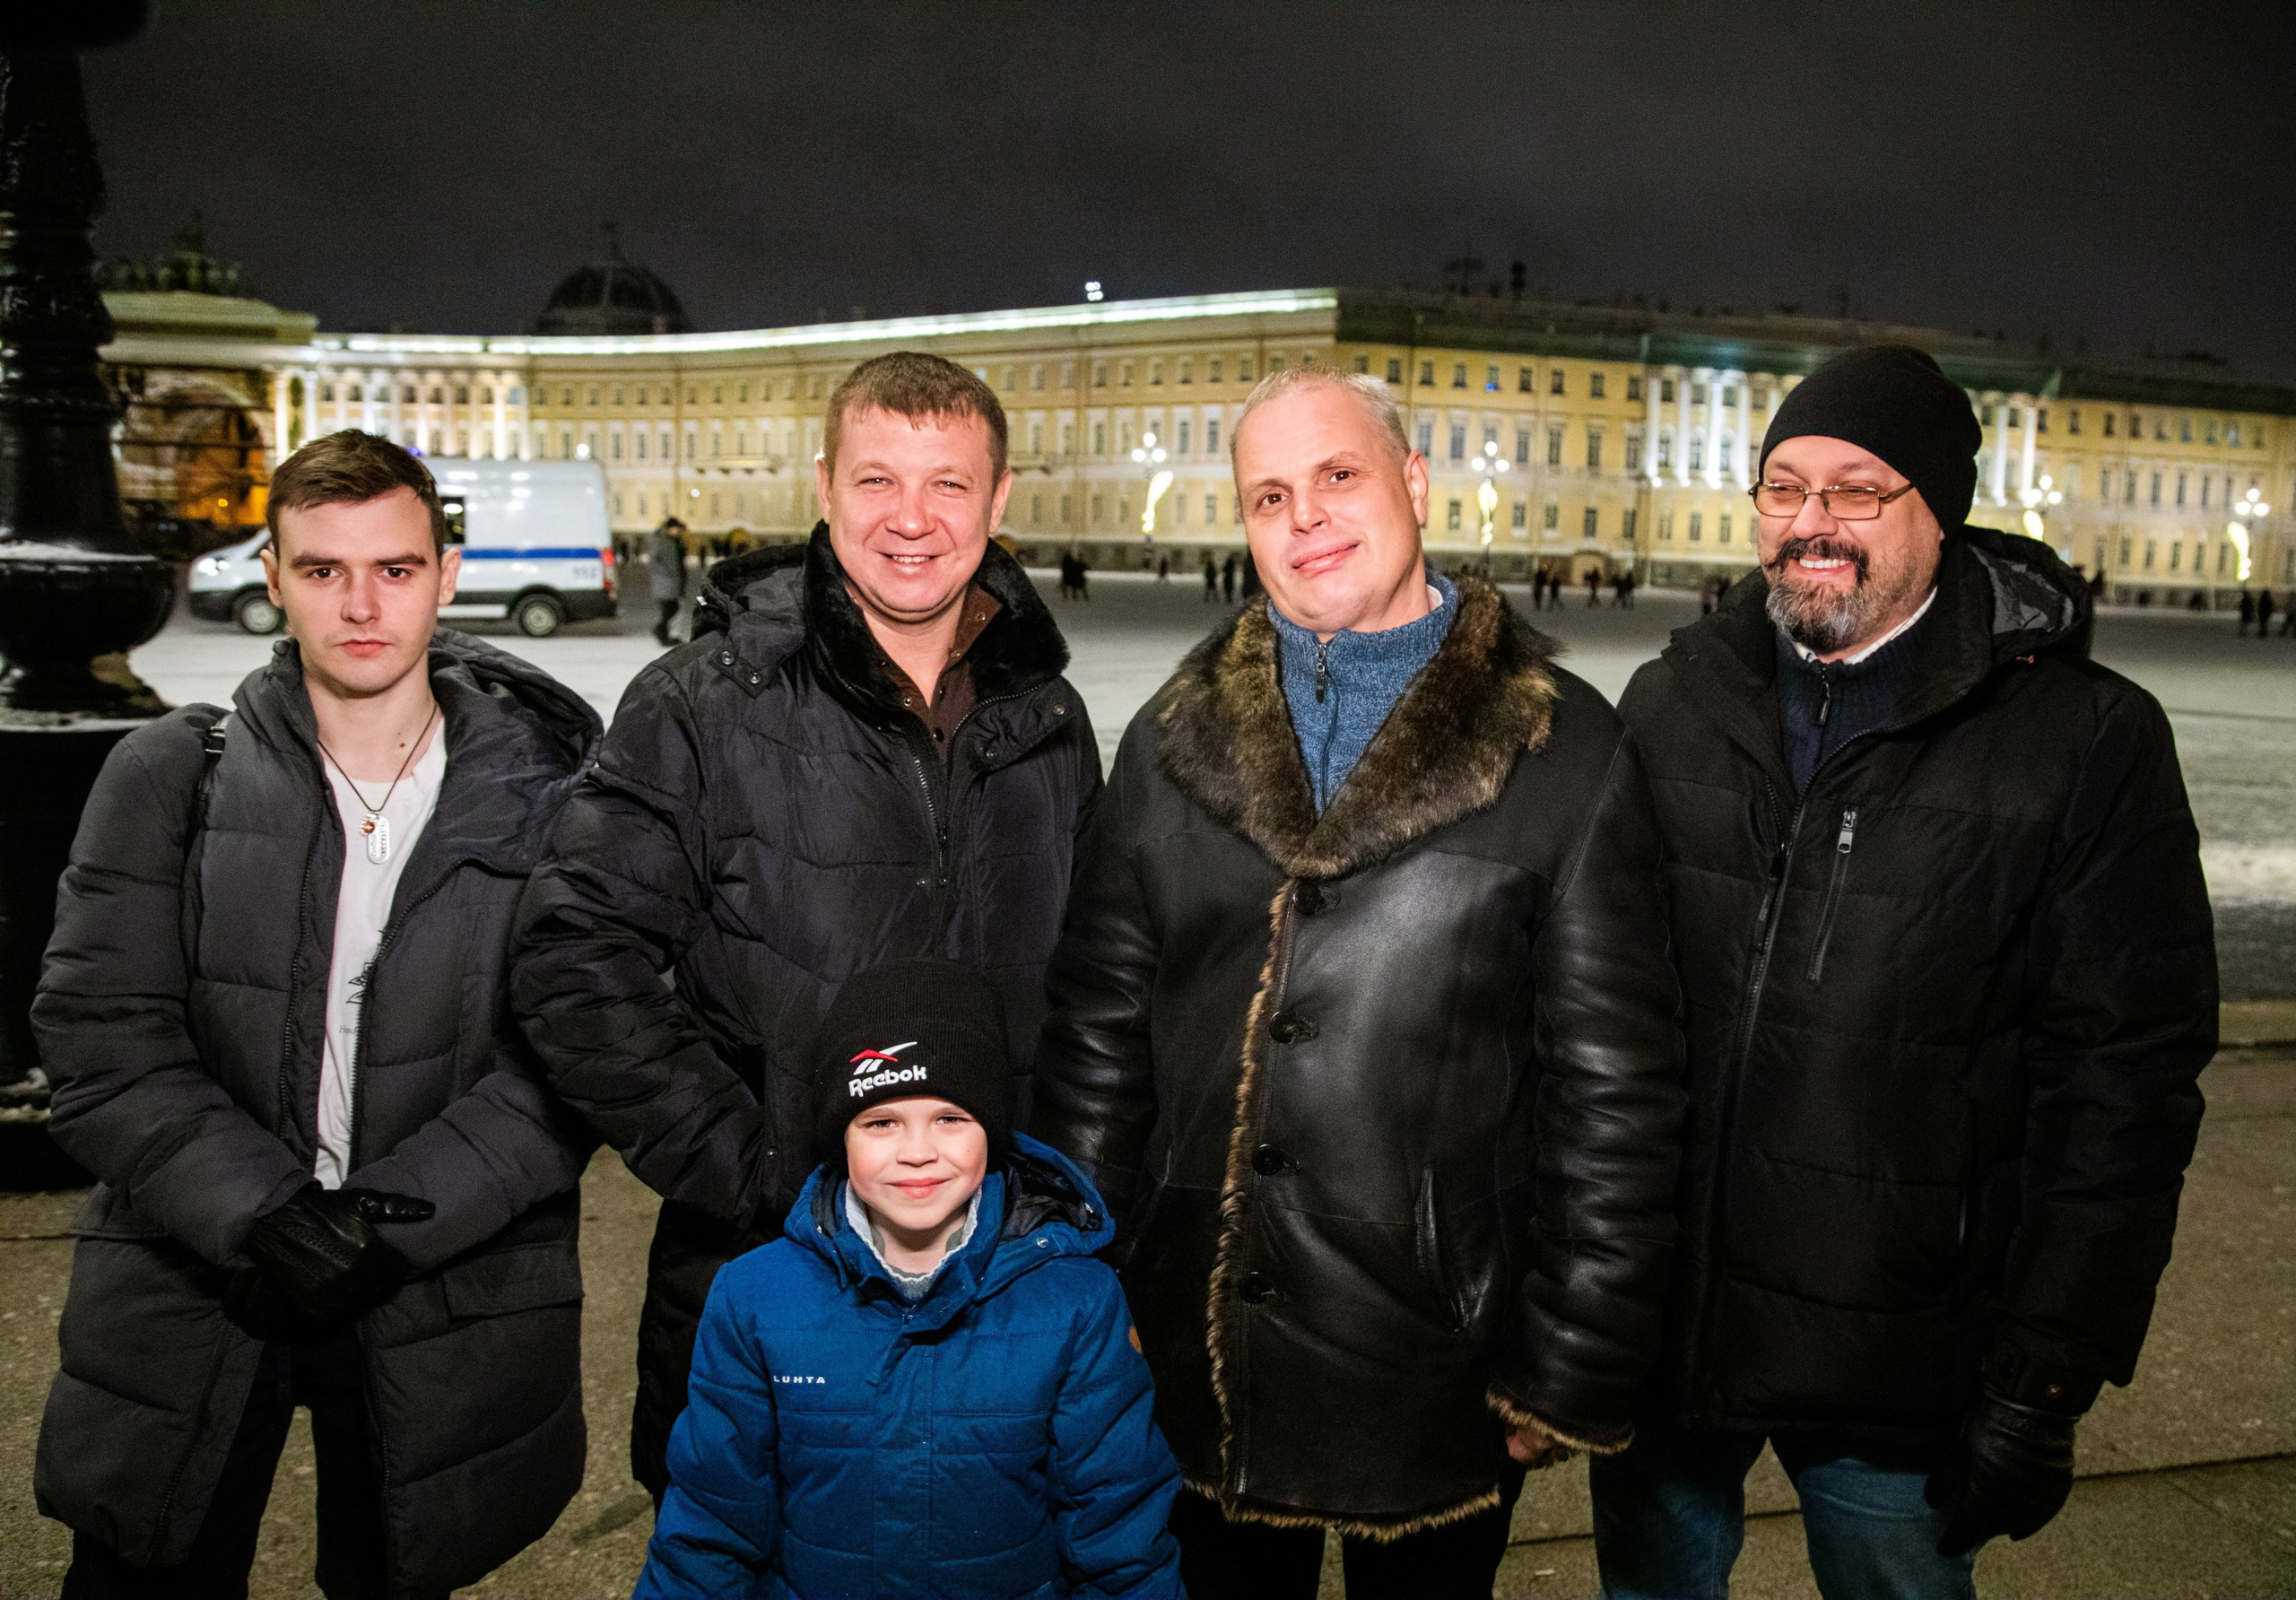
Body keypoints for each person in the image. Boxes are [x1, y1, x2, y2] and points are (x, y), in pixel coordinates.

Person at [1031, 367, 1685, 1600]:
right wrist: (1077, 1279)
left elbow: (1618, 1094)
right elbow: (1098, 1040)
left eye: (1339, 475)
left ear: (1416, 485)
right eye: (1269, 493)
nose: (1307, 517)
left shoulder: (1564, 745)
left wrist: (1572, 1358)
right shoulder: (1172, 738)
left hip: (1442, 1351)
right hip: (1195, 1348)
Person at [1605, 345, 2216, 1600]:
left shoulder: (2085, 741)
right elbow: (1590, 1014)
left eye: (1859, 490)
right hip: (1667, 1331)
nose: (1811, 524)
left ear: (1941, 512)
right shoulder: (1669, 702)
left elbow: (2123, 1088)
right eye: (1784, 487)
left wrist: (2049, 1368)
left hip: (1904, 1354)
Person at [513, 352, 1100, 1500]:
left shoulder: (1050, 718)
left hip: (1000, 1280)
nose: (913, 520)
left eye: (947, 483)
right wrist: (755, 1168)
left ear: (1001, 499)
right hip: (766, 1276)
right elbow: (571, 951)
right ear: (824, 487)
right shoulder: (703, 700)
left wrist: (1061, 1202)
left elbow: (1094, 990)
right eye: (879, 480)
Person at [34, 431, 600, 1600]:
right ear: (274, 577)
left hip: (428, 1278)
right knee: (151, 1565)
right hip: (199, 1271)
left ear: (445, 578)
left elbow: (573, 1061)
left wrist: (392, 1226)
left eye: (393, 570)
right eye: (322, 570)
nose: (360, 605)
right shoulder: (169, 775)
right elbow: (100, 1038)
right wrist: (267, 1213)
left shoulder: (559, 807)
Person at [635, 961, 1183, 1599]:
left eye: (951, 1118)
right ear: (840, 1137)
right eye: (880, 1122)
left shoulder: (1078, 1304)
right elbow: (710, 1524)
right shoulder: (754, 1297)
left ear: (994, 1130)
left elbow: (1120, 1535)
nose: (917, 1151)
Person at [649, 517, 688, 644]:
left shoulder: (673, 541)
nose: (677, 531)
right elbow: (656, 560)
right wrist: (667, 573)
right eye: (675, 529)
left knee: (671, 608)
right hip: (665, 581)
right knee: (670, 608)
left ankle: (664, 634)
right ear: (669, 528)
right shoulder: (662, 540)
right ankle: (660, 631)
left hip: (673, 580)